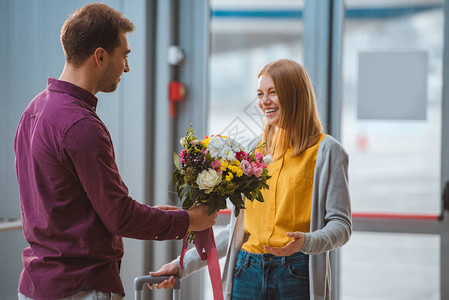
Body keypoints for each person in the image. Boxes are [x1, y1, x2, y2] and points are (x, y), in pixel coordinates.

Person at [14, 3, 217, 300]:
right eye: (124, 56)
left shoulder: (35, 109)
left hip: (38, 285)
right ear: (100, 56)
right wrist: (190, 220)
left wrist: (151, 214)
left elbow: (67, 202)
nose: (127, 67)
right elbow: (119, 217)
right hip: (77, 289)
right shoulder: (81, 124)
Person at [149, 59, 352, 300]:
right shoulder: (255, 151)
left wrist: (306, 242)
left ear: (295, 95)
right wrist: (182, 264)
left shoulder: (327, 152)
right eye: (260, 94)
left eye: (273, 92)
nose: (264, 101)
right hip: (246, 271)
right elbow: (237, 230)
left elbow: (341, 226)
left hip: (296, 273)